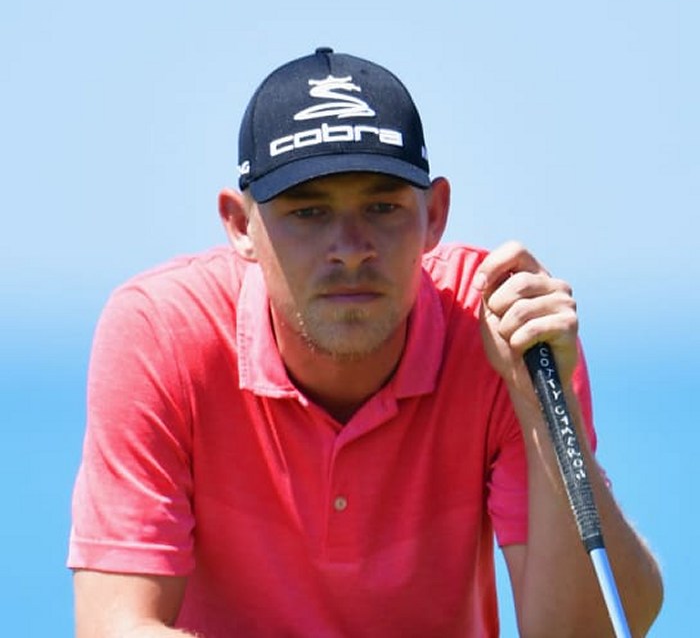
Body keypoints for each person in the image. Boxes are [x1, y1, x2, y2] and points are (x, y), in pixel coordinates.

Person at [68, 47, 663, 637]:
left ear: (435, 214)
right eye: (308, 212)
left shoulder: (506, 326)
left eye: (382, 207)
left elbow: (593, 631)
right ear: (241, 225)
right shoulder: (161, 332)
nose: (351, 248)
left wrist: (540, 408)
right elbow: (112, 627)